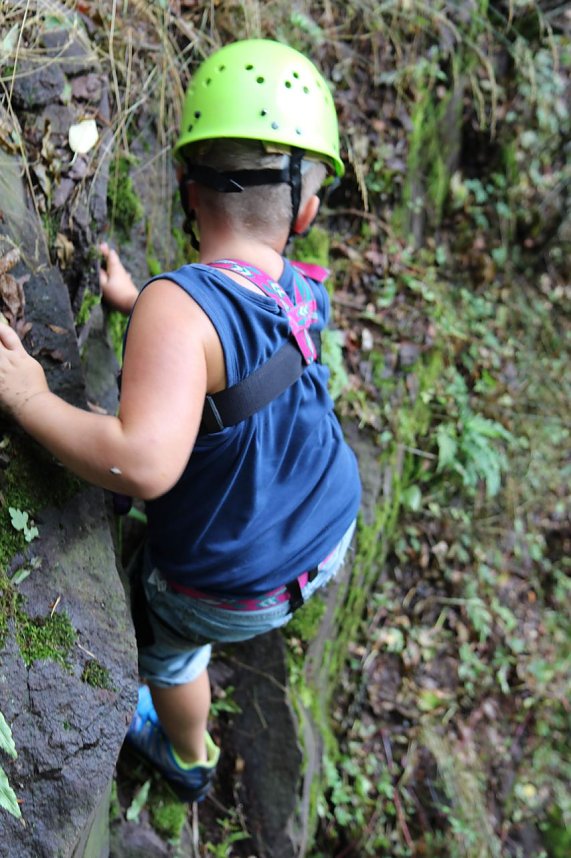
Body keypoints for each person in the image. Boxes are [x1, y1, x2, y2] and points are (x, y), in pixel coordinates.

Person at [0, 38, 361, 803]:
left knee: (172, 659)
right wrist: (143, 310)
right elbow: (243, 362)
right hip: (325, 521)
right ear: (304, 209)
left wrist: (31, 398)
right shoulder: (300, 290)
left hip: (228, 585)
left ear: (184, 187)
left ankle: (188, 755)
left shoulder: (182, 306)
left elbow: (143, 463)